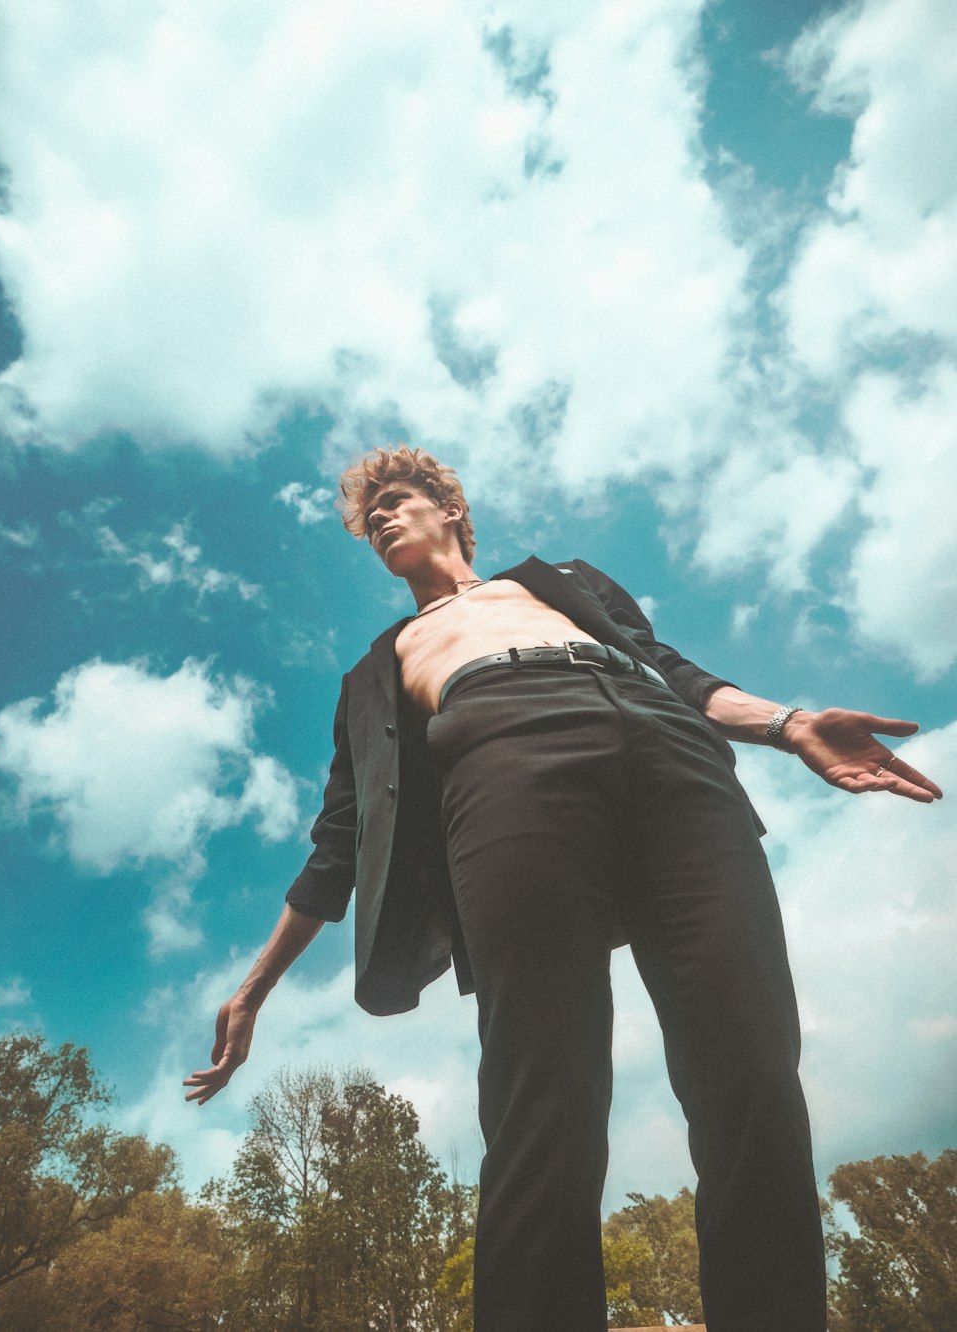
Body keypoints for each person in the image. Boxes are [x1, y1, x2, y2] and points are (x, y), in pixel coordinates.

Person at [185, 446, 942, 1331]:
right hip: (505, 754)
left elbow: (678, 673)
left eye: (396, 502)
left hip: (672, 753)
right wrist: (252, 991)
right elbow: (337, 846)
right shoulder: (377, 669)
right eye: (371, 521)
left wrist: (790, 723)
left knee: (753, 1068)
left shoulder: (563, 580)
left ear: (451, 511)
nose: (382, 522)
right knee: (545, 1080)